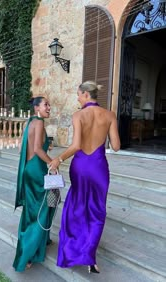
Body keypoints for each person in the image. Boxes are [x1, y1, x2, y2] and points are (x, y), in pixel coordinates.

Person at [49, 81, 120, 273]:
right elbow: (116, 146)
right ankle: (90, 257)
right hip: (98, 167)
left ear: (86, 95)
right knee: (97, 210)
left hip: (80, 165)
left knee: (77, 207)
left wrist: (58, 159)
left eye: (78, 95)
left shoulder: (78, 115)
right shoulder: (110, 115)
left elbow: (76, 146)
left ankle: (72, 252)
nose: (77, 98)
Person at [13, 96, 55, 272]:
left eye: (49, 105)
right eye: (46, 105)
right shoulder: (39, 123)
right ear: (37, 108)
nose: (49, 108)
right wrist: (52, 162)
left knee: (38, 208)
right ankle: (28, 254)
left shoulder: (29, 122)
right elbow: (37, 148)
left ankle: (42, 241)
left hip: (30, 170)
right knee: (45, 206)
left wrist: (46, 147)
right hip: (38, 171)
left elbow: (24, 149)